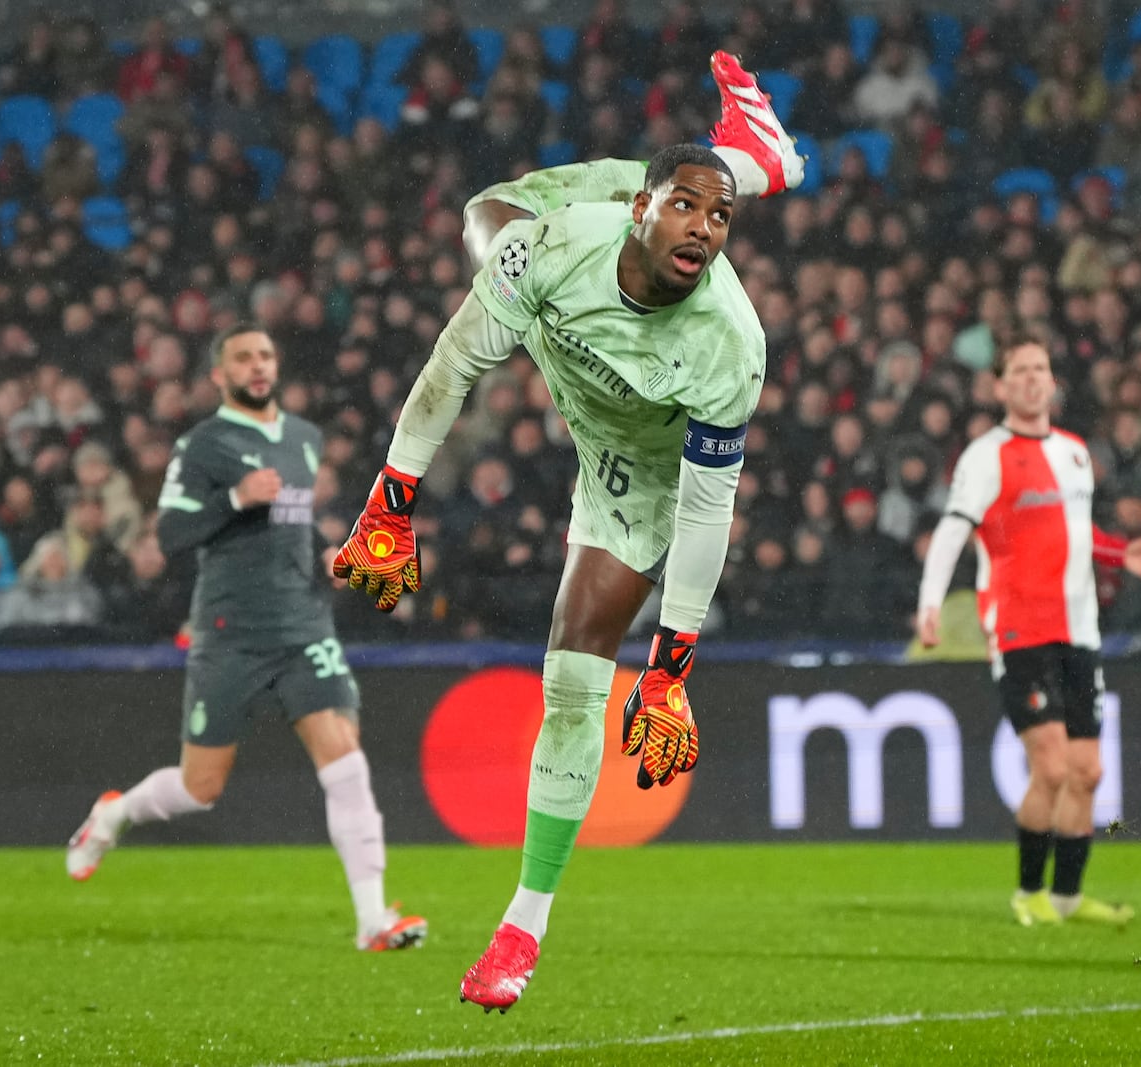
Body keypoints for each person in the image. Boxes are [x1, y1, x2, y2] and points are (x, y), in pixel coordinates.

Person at [331, 52, 803, 1011]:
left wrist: (670, 668)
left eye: (723, 217)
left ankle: (522, 925)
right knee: (482, 218)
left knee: (575, 671)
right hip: (573, 278)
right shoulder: (561, 245)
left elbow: (708, 514)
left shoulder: (730, 343)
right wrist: (391, 500)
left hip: (639, 469)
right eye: (688, 208)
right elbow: (452, 365)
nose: (705, 231)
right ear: (643, 209)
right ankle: (750, 159)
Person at [65, 324, 425, 954]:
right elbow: (172, 536)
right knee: (199, 788)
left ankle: (372, 919)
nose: (258, 366)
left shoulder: (304, 440)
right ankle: (113, 815)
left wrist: (333, 561)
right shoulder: (203, 446)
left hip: (302, 624)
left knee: (344, 756)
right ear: (219, 376)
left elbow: (292, 531)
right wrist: (234, 495)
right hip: (230, 631)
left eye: (265, 355)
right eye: (243, 358)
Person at [915, 333, 1141, 928]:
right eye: (1021, 371)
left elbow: (1078, 533)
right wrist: (930, 603)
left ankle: (1066, 897)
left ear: (1053, 382)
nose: (1034, 379)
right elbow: (952, 531)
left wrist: (1119, 555)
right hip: (1019, 629)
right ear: (1001, 386)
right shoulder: (986, 456)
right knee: (1052, 767)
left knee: (1088, 772)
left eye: (1042, 368)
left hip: (1079, 630)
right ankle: (1028, 892)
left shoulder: (1076, 453)